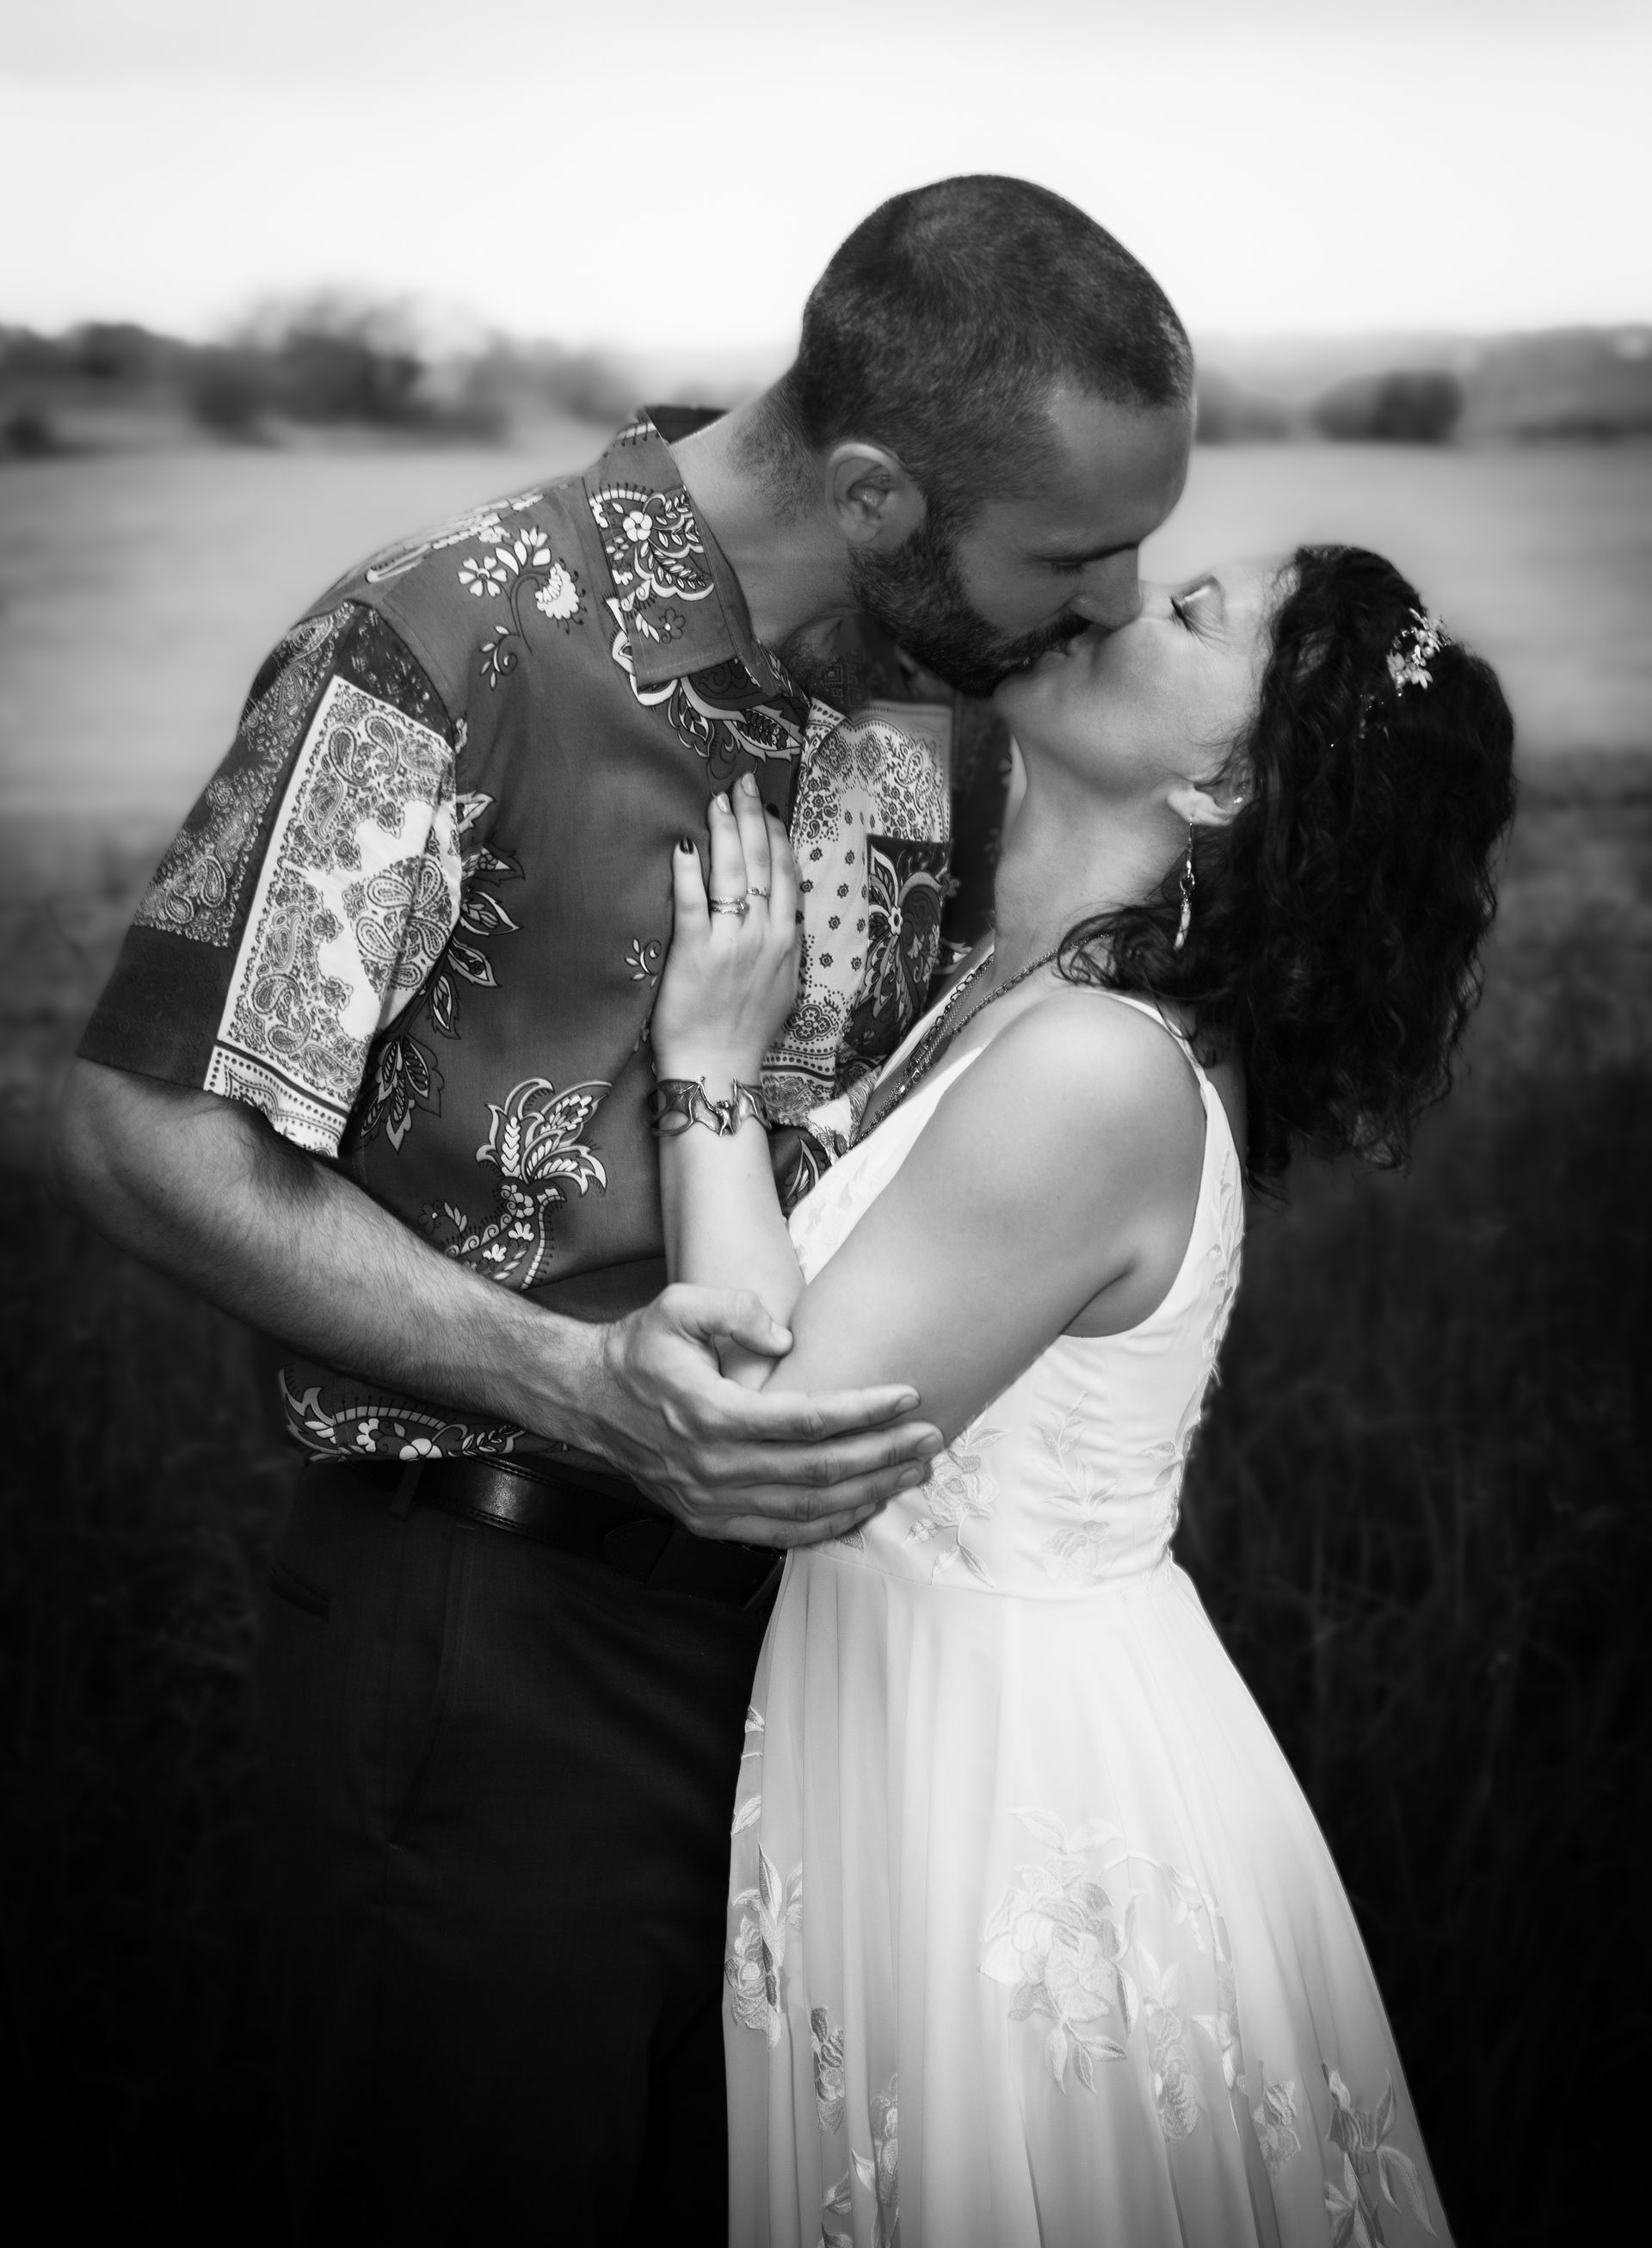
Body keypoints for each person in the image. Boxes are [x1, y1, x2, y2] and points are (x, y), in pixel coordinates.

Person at [50, 178, 1195, 2239]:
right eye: (1078, 555)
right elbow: (146, 1132)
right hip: (489, 1644)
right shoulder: (448, 643)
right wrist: (574, 1382)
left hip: (832, 1696)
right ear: (872, 492)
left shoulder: (932, 702)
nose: (1118, 604)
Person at [647, 544, 1515, 2245]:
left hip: (1005, 1781)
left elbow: (763, 1438)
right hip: (905, 1708)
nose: (1122, 605)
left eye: (1193, 618)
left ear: (1221, 781)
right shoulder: (1021, 992)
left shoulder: (1099, 1071)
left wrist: (703, 1070)